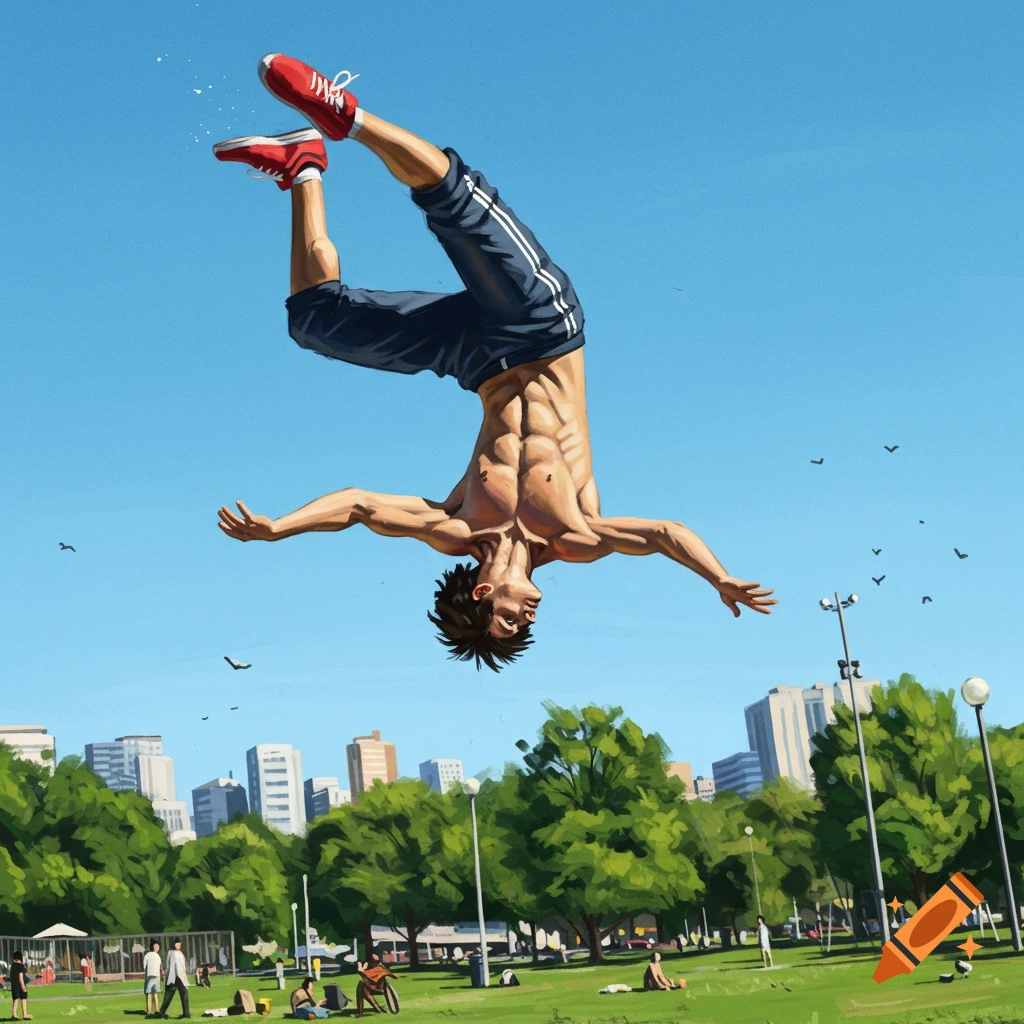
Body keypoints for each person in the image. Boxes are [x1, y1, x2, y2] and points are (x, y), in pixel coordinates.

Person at [213, 52, 777, 673]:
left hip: (473, 358)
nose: (529, 615)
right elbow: (666, 534)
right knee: (455, 208)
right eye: (524, 624)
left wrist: (279, 529)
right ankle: (339, 125)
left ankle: (307, 161)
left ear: (483, 595)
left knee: (315, 322)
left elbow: (358, 507)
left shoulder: (453, 527)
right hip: (543, 331)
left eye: (511, 620)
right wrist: (718, 578)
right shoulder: (577, 537)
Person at [157, 938, 190, 1018]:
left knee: (169, 994)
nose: (179, 945)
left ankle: (162, 1012)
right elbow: (177, 967)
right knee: (184, 994)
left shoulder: (173, 953)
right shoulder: (175, 954)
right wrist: (182, 978)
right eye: (177, 944)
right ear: (174, 944)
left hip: (172, 977)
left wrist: (166, 975)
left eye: (179, 944)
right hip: (177, 977)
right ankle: (186, 1014)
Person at [143, 940, 163, 1015]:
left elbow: (144, 966)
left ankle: (150, 1009)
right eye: (156, 946)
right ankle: (156, 1009)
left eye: (158, 946)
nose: (157, 947)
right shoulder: (155, 955)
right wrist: (162, 975)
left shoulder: (148, 955)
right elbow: (160, 967)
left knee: (149, 992)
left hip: (150, 975)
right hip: (155, 975)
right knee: (155, 992)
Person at [10, 950, 30, 1021]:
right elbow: (21, 977)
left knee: (15, 1000)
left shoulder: (12, 966)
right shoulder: (21, 966)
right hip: (20, 985)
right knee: (23, 999)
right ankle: (25, 1014)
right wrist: (23, 987)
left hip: (14, 986)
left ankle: (14, 1014)